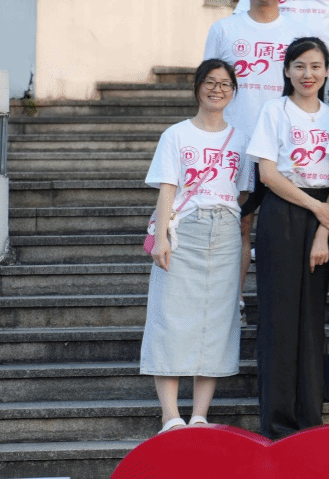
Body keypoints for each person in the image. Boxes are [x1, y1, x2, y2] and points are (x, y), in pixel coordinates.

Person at [245, 37, 329, 439]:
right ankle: (278, 423)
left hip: (321, 217)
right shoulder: (275, 110)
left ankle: (309, 419)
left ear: (327, 71)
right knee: (279, 318)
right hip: (282, 211)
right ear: (286, 70)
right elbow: (268, 174)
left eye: (316, 66)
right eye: (300, 66)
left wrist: (323, 228)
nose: (308, 74)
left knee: (311, 319)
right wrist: (316, 207)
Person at [205, 0, 310, 315]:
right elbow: (209, 86)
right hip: (235, 143)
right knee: (238, 223)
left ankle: (281, 304)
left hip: (285, 146)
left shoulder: (297, 32)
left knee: (283, 227)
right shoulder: (224, 29)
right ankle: (231, 300)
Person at [141, 59, 243, 433]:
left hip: (226, 231)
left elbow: (243, 191)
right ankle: (170, 415)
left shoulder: (241, 138)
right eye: (210, 82)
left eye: (225, 84)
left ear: (234, 91)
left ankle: (200, 414)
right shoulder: (176, 135)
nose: (218, 89)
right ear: (197, 87)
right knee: (170, 317)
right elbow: (168, 187)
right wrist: (161, 237)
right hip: (185, 230)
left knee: (215, 322)